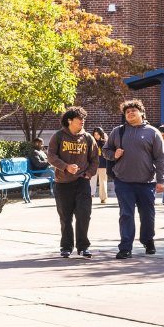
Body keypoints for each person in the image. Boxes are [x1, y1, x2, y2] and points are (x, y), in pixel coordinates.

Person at [105, 99, 164, 260]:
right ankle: (125, 247)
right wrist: (113, 154)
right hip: (123, 181)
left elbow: (160, 158)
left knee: (147, 214)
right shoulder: (117, 131)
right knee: (126, 214)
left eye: (134, 110)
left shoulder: (152, 132)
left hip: (146, 182)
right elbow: (106, 150)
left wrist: (161, 180)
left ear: (141, 113)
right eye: (127, 111)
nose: (130, 113)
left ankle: (148, 240)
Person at [50, 107, 99, 258]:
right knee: (65, 217)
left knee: (84, 214)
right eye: (79, 118)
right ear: (70, 121)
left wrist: (88, 174)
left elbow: (95, 159)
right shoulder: (58, 136)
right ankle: (66, 246)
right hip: (63, 182)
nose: (82, 121)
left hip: (82, 182)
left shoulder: (88, 138)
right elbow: (51, 156)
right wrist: (66, 167)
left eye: (83, 118)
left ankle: (83, 247)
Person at [91, 127, 108, 203]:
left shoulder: (105, 143)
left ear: (101, 134)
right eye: (95, 134)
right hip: (93, 164)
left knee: (103, 181)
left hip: (103, 164)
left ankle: (103, 198)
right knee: (91, 180)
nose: (96, 136)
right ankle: (90, 195)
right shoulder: (92, 142)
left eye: (98, 134)